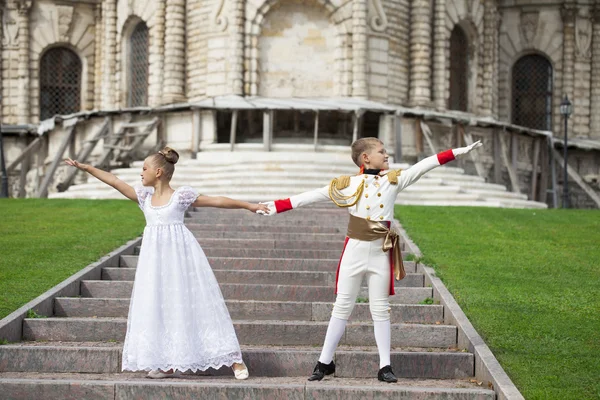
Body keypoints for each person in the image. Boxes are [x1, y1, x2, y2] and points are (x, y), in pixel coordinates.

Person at [260, 137, 482, 382]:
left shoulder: (392, 181)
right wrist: (276, 206)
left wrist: (457, 151)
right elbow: (313, 195)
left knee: (381, 309)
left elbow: (424, 165)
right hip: (354, 252)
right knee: (342, 306)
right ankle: (324, 362)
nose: (387, 155)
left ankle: (385, 366)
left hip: (380, 254)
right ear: (365, 157)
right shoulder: (348, 184)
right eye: (381, 151)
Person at [65, 147, 269, 380]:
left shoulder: (180, 197)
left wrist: (249, 205)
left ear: (159, 172)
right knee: (161, 306)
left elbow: (216, 200)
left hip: (182, 259)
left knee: (199, 302)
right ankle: (168, 362)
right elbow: (114, 181)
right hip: (154, 264)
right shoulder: (144, 198)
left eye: (144, 168)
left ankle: (234, 360)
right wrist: (86, 167)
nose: (141, 173)